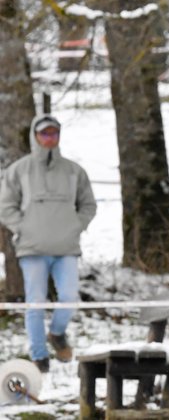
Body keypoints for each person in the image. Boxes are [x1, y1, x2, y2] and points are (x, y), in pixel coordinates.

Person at [0, 114, 96, 373]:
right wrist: (23, 228)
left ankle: (57, 333)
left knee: (68, 296)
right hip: (32, 249)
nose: (49, 138)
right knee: (36, 301)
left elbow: (88, 204)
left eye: (54, 133)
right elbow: (5, 206)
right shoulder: (19, 170)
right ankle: (39, 355)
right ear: (35, 136)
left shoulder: (74, 171)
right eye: (44, 133)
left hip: (66, 247)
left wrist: (76, 225)